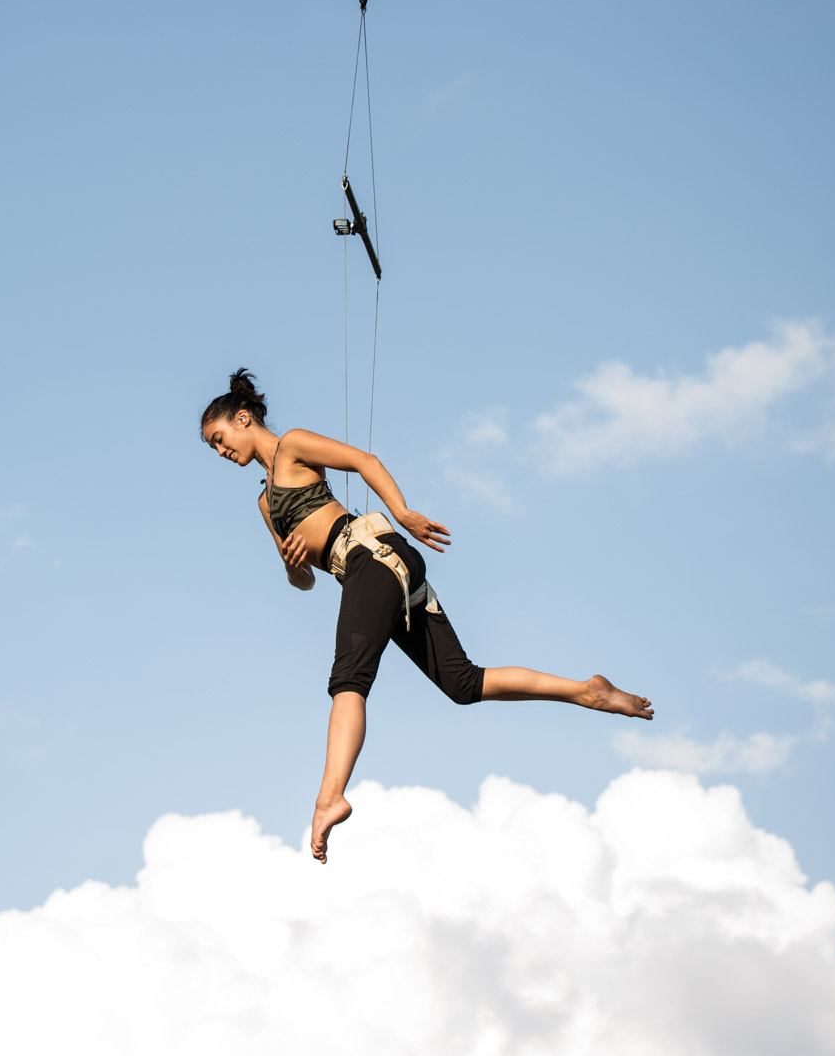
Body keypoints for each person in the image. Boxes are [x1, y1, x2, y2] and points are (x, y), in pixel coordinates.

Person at [201, 369, 654, 864]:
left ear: (242, 418)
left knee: (348, 679)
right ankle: (588, 691)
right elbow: (305, 581)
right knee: (462, 683)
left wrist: (404, 513)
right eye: (214, 449)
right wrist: (292, 569)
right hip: (373, 572)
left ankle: (328, 796)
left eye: (220, 439)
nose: (221, 452)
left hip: (371, 556)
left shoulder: (292, 447)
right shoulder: (267, 504)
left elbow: (362, 460)